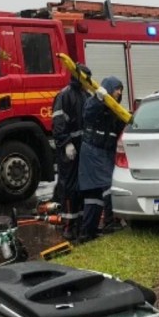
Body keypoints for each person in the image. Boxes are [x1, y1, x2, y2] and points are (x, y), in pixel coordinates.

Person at [78, 76, 126, 242]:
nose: (119, 92)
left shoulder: (116, 111)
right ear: (109, 88)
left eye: (121, 89)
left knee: (95, 195)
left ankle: (89, 231)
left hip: (104, 153)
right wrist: (99, 99)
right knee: (106, 187)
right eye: (117, 88)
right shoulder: (94, 104)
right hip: (93, 152)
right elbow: (88, 114)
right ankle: (110, 222)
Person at [52, 63, 91, 241]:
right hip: (69, 151)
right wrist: (67, 143)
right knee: (69, 187)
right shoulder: (65, 95)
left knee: (83, 187)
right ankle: (69, 225)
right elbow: (58, 123)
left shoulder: (86, 95)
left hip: (83, 149)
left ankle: (82, 223)